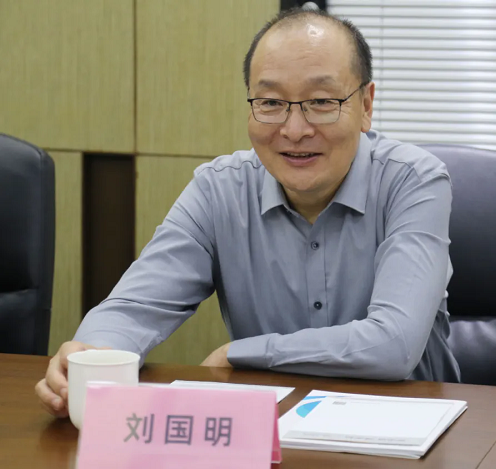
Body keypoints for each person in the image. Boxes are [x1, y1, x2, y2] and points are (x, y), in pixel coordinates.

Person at [36, 8, 460, 418]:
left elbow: (393, 344)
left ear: (365, 105)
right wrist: (88, 359)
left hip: (408, 427)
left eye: (321, 101)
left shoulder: (414, 181)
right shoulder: (219, 190)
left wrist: (243, 353)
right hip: (267, 430)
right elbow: (134, 308)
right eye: (271, 102)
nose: (295, 130)